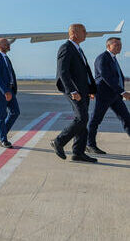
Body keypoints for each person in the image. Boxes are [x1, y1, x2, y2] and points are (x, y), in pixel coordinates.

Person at [50, 24, 98, 163]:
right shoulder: (66, 47)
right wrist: (72, 91)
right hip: (74, 90)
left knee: (83, 119)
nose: (86, 33)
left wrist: (90, 89)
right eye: (84, 31)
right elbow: (62, 71)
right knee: (81, 118)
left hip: (83, 90)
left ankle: (78, 152)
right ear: (74, 33)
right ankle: (59, 141)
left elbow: (84, 72)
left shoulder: (78, 49)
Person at [86, 37, 130, 154]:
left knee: (127, 119)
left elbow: (117, 77)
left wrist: (120, 92)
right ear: (109, 46)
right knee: (95, 120)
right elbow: (107, 78)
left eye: (120, 45)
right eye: (117, 45)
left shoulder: (113, 59)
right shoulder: (102, 58)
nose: (120, 47)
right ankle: (90, 145)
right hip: (104, 95)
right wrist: (123, 92)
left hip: (115, 96)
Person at [0, 39, 19, 148]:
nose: (9, 45)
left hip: (10, 90)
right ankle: (3, 140)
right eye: (6, 44)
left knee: (15, 112)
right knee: (1, 115)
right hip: (1, 92)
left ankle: (1, 132)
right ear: (0, 45)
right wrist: (5, 91)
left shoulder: (6, 58)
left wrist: (12, 89)